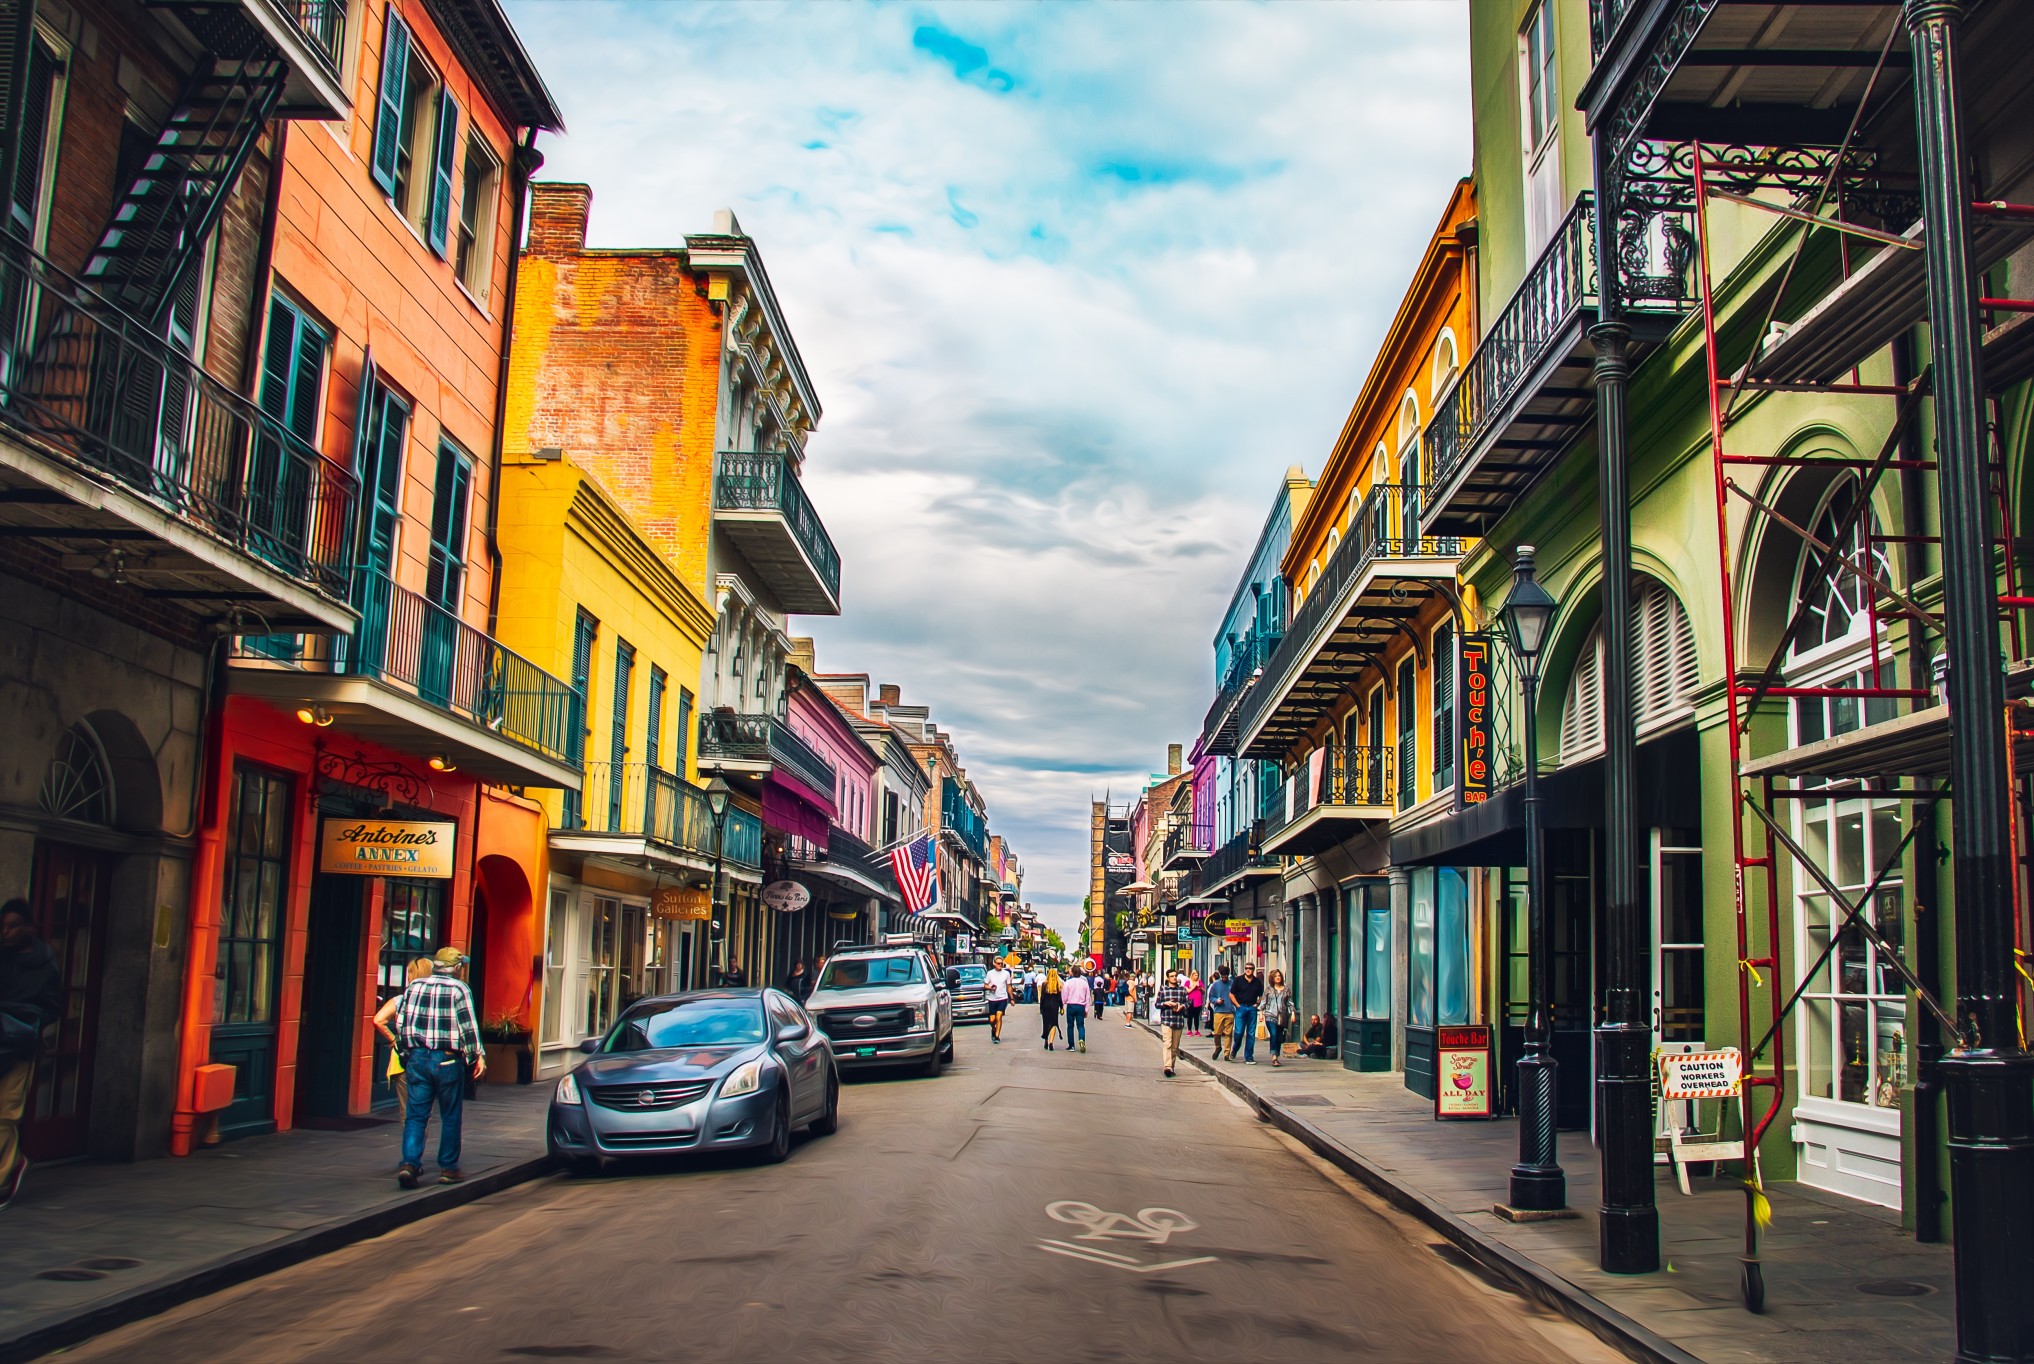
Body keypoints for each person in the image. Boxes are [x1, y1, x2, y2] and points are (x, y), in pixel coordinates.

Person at [385, 946, 485, 1188]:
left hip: (418, 1058)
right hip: (447, 1059)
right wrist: (477, 1056)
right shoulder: (460, 989)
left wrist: (407, 1052)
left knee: (416, 1115)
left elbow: (402, 1023)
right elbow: (468, 1027)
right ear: (457, 968)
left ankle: (410, 1163)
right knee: (450, 1115)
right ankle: (448, 1168)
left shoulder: (415, 987)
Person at [0, 900, 61, 1210]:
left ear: (28, 928)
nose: (6, 932)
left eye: (12, 926)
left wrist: (28, 1022)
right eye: (3, 925)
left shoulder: (44, 964)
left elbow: (53, 1006)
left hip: (19, 1044)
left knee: (6, 1112)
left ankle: (3, 1178)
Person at [373, 958, 436, 1121]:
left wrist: (394, 1040)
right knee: (424, 1110)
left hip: (403, 1060)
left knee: (407, 1111)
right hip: (430, 1058)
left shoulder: (401, 1000)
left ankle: (411, 1145)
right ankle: (420, 1143)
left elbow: (378, 1020)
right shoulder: (436, 1001)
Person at [1156, 971, 1190, 1077]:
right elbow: (1157, 1004)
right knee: (1167, 1043)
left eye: (1175, 976)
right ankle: (1167, 1066)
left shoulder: (1182, 990)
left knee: (1175, 1047)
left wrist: (1182, 1006)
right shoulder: (1163, 989)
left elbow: (1188, 1002)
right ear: (1168, 978)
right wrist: (1166, 1003)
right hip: (1166, 1020)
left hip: (1178, 1020)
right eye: (1172, 976)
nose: (1174, 978)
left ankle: (1171, 1066)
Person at [1231, 961, 1264, 1064]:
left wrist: (1257, 1004)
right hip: (1241, 1007)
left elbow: (1261, 995)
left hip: (1252, 1008)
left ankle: (1249, 1056)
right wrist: (1237, 1005)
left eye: (1250, 968)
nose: (1248, 970)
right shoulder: (1238, 980)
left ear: (1253, 970)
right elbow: (1231, 994)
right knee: (1239, 1032)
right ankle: (1235, 1049)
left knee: (1251, 1033)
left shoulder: (1257, 982)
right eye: (1246, 968)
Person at [1263, 969, 1293, 1068]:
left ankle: (1277, 1054)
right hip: (1270, 1015)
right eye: (1275, 976)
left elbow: (1289, 1002)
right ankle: (1274, 1057)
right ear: (1272, 978)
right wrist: (1260, 1013)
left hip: (1282, 1016)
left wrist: (1292, 1013)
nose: (1278, 977)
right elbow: (1264, 1001)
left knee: (1279, 1037)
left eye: (1279, 976)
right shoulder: (1268, 989)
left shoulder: (1286, 989)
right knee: (1274, 1034)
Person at [1060, 965, 1092, 1054]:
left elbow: (1064, 994)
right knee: (1080, 1025)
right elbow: (1088, 998)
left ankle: (1071, 1045)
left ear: (1073, 973)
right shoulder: (1084, 983)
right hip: (1081, 1006)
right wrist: (1086, 1010)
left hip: (1071, 1005)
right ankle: (1081, 1040)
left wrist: (1062, 1005)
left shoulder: (1068, 982)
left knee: (1070, 1026)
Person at [1206, 966, 1235, 1061]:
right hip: (1218, 1011)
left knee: (1228, 1033)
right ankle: (1218, 1047)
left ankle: (1227, 1053)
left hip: (1230, 1011)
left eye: (1225, 977)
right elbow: (1211, 997)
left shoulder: (1232, 983)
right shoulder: (1215, 985)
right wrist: (1216, 1000)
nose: (1224, 979)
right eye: (1222, 977)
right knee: (1217, 1033)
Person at [983, 957, 1013, 1044]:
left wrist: (1011, 998)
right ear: (994, 964)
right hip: (992, 999)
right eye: (998, 963)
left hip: (1002, 998)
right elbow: (985, 985)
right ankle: (993, 1029)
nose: (1000, 965)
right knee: (992, 1020)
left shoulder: (1006, 973)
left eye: (1001, 963)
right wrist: (990, 988)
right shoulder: (990, 973)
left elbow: (1009, 986)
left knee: (999, 1016)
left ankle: (997, 1036)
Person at [1039, 967, 1063, 1049]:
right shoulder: (1058, 985)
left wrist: (1041, 1008)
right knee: (1054, 1024)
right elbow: (1060, 998)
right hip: (1054, 1006)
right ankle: (1051, 1042)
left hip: (1046, 1006)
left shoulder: (1044, 984)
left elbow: (1042, 997)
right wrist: (1062, 1007)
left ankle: (1046, 1039)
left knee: (1046, 1024)